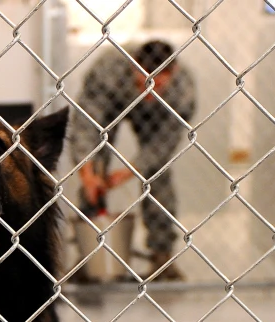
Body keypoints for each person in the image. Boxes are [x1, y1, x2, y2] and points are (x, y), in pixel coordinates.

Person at [71, 40, 196, 281]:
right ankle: (89, 254)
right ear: (132, 67)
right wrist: (86, 170)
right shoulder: (108, 68)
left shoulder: (182, 91)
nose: (147, 91)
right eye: (141, 82)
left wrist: (129, 172)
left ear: (173, 73)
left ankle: (162, 257)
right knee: (94, 168)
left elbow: (162, 145)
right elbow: (86, 123)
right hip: (113, 104)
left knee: (157, 175)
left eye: (156, 85)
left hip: (158, 114)